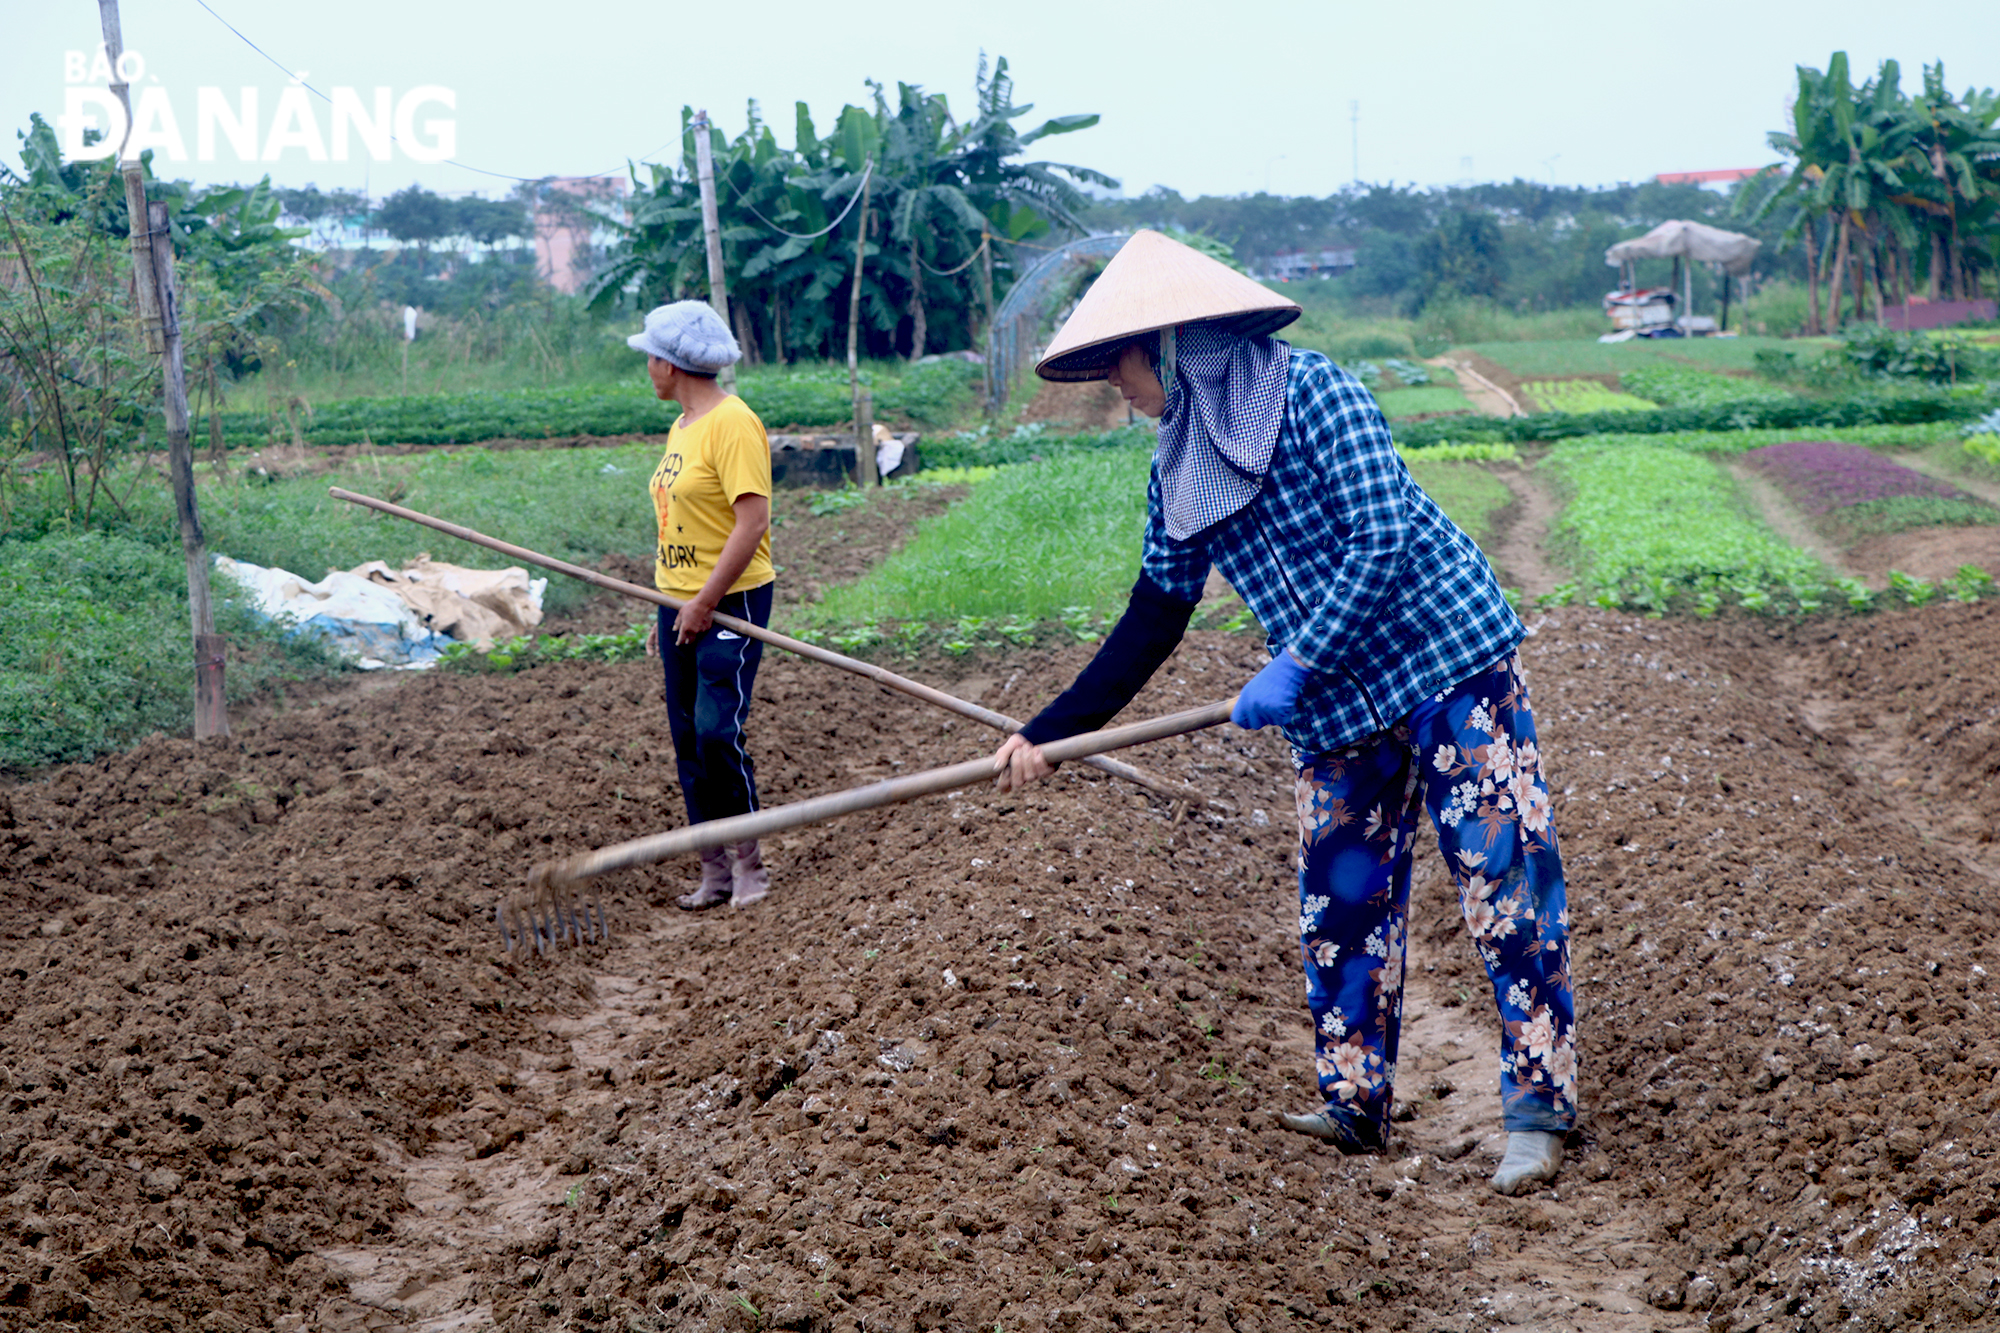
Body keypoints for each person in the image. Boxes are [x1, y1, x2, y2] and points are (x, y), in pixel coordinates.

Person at [988, 231, 1577, 1196]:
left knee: (1505, 888)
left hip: (1447, 662)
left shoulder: (1318, 394)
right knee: (1339, 906)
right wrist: (1049, 730)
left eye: (1125, 365)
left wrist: (1298, 655)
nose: (1119, 388)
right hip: (1340, 703)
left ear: (1175, 347)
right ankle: (1354, 1106)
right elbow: (1155, 612)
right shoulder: (1177, 462)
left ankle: (1538, 1109)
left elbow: (1384, 535)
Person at [628, 301, 775, 910]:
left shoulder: (733, 422)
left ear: (670, 363)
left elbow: (753, 521)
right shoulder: (682, 426)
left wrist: (704, 601)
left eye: (649, 359)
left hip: (731, 601)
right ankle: (712, 869)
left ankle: (749, 865)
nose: (646, 369)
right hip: (678, 602)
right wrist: (666, 607)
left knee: (718, 731)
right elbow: (675, 522)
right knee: (687, 735)